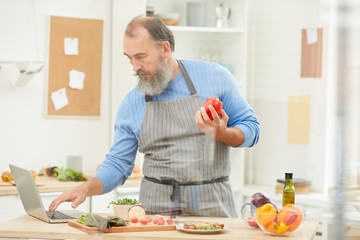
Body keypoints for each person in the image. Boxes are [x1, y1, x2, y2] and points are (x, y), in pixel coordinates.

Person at [49, 15, 260, 218]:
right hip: (155, 216)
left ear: (164, 49)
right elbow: (118, 163)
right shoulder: (132, 102)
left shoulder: (215, 77)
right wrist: (85, 189)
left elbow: (252, 130)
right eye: (129, 59)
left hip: (213, 209)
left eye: (140, 57)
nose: (135, 67)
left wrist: (223, 133)